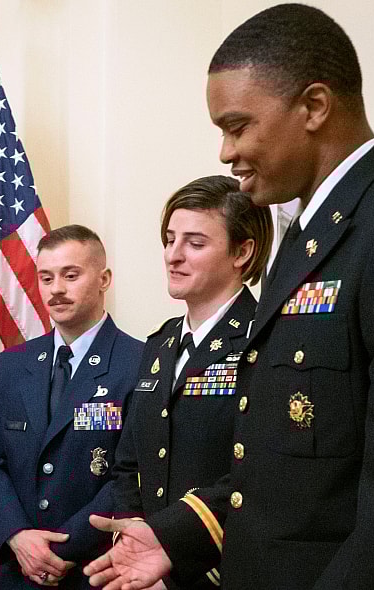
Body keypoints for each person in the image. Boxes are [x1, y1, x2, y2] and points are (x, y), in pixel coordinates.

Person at [85, 4, 374, 589]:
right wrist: (178, 533)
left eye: (237, 127)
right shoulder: (305, 241)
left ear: (314, 106)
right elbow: (279, 459)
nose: (225, 152)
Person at [110, 176, 271, 589]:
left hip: (223, 570)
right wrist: (130, 543)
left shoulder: (264, 338)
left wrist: (175, 556)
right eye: (169, 240)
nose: (173, 256)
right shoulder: (161, 341)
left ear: (243, 252)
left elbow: (261, 473)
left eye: (195, 243)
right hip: (146, 572)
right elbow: (129, 463)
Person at [0, 225, 144, 588]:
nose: (57, 290)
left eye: (71, 275)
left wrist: (65, 548)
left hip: (94, 569)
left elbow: (133, 474)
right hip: (19, 570)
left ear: (104, 279)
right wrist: (18, 535)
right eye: (46, 278)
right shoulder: (12, 365)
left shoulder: (139, 363)